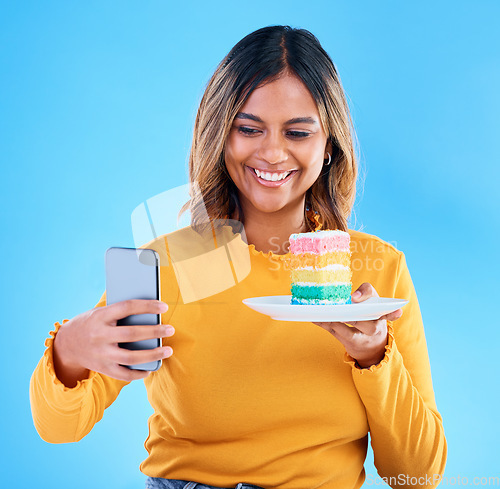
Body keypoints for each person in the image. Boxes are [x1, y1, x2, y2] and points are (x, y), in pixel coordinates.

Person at [30, 25, 447, 489]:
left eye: (298, 132)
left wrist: (375, 357)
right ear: (220, 136)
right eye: (248, 129)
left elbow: (418, 476)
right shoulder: (163, 264)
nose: (272, 152)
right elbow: (60, 428)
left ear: (328, 145)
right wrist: (67, 349)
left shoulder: (377, 271)